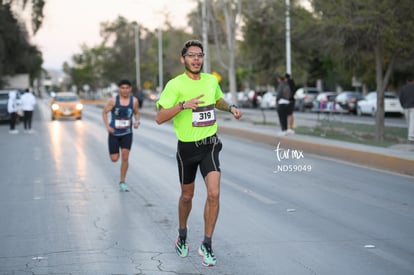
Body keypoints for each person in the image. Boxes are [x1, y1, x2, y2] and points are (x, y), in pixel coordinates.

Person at [155, 39, 242, 267]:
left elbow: (217, 100)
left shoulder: (211, 80)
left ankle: (207, 243)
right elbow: (159, 117)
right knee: (187, 196)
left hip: (210, 144)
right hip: (187, 148)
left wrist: (230, 108)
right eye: (191, 55)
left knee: (213, 193)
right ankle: (182, 235)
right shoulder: (175, 85)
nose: (196, 59)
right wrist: (183, 105)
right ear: (183, 59)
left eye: (199, 55)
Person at [102, 79, 140, 192]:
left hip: (127, 132)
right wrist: (107, 126)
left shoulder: (134, 101)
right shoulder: (114, 101)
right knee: (114, 159)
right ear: (119, 89)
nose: (125, 90)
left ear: (130, 89)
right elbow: (104, 112)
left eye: (127, 88)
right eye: (122, 88)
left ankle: (122, 181)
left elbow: (136, 112)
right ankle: (116, 159)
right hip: (114, 132)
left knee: (125, 156)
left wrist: (137, 121)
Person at [399, 76, 414, 142]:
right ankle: (411, 137)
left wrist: (403, 105)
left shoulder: (403, 88)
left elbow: (400, 98)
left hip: (405, 107)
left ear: (407, 81)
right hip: (413, 107)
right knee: (412, 122)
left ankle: (410, 135)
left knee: (408, 122)